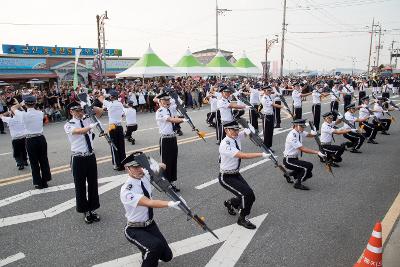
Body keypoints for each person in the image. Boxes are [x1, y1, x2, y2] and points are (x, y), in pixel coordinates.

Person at [120, 152, 180, 267]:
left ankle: (146, 252)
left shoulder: (145, 174)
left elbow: (163, 166)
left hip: (150, 225)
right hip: (134, 229)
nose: (139, 169)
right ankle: (148, 252)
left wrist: (151, 163)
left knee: (167, 256)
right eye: (135, 167)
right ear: (127, 168)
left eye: (140, 165)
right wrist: (169, 203)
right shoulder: (127, 191)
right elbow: (149, 202)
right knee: (154, 247)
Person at [219, 121, 268, 229]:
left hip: (235, 174)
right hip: (226, 177)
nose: (236, 132)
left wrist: (249, 127)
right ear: (226, 130)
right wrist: (261, 154)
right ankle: (242, 219)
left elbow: (247, 133)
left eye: (237, 129)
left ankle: (230, 203)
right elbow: (243, 155)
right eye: (233, 130)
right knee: (247, 195)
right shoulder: (225, 144)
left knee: (250, 196)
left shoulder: (235, 137)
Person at [64, 102, 102, 224]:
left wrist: (89, 104)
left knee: (93, 184)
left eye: (81, 110)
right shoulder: (68, 124)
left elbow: (100, 111)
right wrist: (90, 126)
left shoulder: (87, 119)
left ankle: (93, 209)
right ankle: (85, 210)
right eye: (77, 110)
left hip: (90, 156)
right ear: (71, 112)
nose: (80, 112)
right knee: (80, 186)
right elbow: (80, 131)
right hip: (78, 158)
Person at [11, 96, 52, 189]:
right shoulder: (40, 113)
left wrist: (20, 104)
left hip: (30, 139)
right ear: (35, 103)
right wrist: (24, 105)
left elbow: (13, 108)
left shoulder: (23, 114)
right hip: (41, 138)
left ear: (25, 104)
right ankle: (45, 181)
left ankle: (38, 183)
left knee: (34, 162)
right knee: (43, 160)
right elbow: (29, 111)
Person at [155, 92, 186, 192]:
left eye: (168, 100)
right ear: (160, 101)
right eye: (165, 100)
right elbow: (171, 120)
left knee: (173, 160)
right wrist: (183, 120)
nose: (167, 102)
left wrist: (173, 95)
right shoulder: (160, 111)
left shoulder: (170, 109)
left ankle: (171, 182)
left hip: (173, 137)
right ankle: (165, 182)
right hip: (165, 139)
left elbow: (178, 104)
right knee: (166, 162)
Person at [283, 119, 325, 190]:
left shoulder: (299, 131)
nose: (303, 128)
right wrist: (317, 152)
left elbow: (308, 135)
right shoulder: (292, 136)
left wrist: (314, 134)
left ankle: (289, 174)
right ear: (296, 125)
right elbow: (303, 149)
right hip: (288, 160)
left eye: (303, 127)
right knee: (307, 167)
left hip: (294, 158)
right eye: (301, 126)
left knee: (308, 174)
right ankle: (298, 184)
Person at [103, 90, 126, 171]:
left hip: (112, 126)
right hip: (119, 126)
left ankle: (117, 164)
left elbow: (100, 98)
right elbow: (123, 114)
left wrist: (104, 97)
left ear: (111, 97)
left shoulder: (109, 103)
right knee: (121, 145)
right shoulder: (120, 104)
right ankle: (123, 163)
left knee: (114, 146)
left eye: (110, 96)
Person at [260, 85, 283, 151]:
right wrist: (283, 107)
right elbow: (273, 104)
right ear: (264, 91)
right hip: (266, 116)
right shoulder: (264, 98)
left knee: (270, 132)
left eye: (270, 90)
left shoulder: (269, 96)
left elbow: (276, 95)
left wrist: (277, 92)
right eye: (268, 90)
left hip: (271, 115)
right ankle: (266, 147)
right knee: (266, 132)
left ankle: (269, 146)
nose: (270, 91)